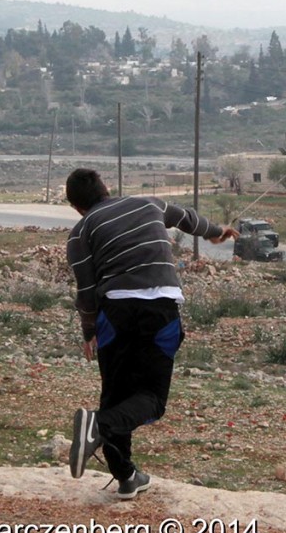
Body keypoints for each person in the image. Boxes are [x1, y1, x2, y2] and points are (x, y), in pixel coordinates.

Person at [64, 168, 238, 500]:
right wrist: (217, 232)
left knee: (116, 396)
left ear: (76, 207)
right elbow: (187, 218)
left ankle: (126, 476)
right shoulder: (149, 204)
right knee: (151, 400)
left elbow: (86, 290)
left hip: (114, 312)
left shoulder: (80, 232)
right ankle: (100, 429)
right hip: (160, 308)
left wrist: (89, 332)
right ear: (107, 188)